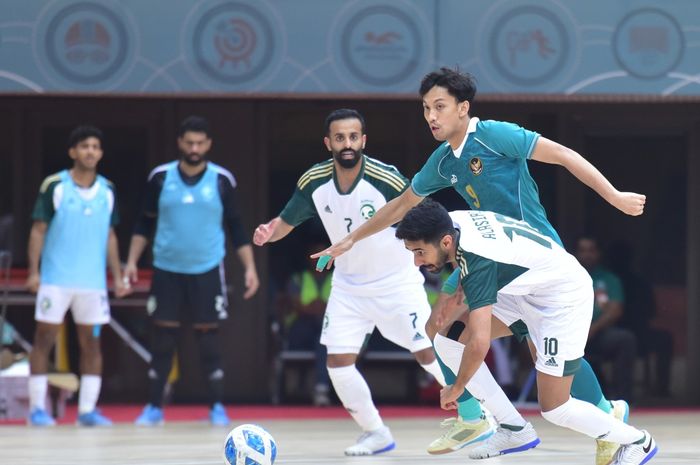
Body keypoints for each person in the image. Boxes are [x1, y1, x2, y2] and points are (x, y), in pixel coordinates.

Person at [312, 67, 645, 463]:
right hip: (488, 261)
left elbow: (564, 155)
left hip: (532, 262)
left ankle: (606, 416)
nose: (431, 116)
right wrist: (349, 240)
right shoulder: (444, 160)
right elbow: (403, 204)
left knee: (537, 355)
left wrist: (615, 196)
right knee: (443, 329)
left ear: (463, 107)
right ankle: (487, 420)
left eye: (439, 107)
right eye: (425, 109)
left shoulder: (494, 135)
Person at [254, 109, 459, 456]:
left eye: (353, 137)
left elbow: (423, 212)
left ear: (363, 141)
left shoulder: (385, 178)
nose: (346, 144)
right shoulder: (313, 182)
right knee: (337, 363)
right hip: (349, 287)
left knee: (427, 349)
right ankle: (375, 432)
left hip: (397, 283)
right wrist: (268, 232)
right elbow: (287, 219)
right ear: (328, 143)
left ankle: (478, 413)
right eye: (339, 138)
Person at [395, 200, 658, 465]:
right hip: (524, 289)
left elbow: (480, 341)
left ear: (446, 242)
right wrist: (450, 299)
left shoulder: (477, 259)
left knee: (556, 408)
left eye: (419, 252)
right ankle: (513, 428)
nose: (417, 261)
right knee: (448, 341)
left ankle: (638, 441)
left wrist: (458, 387)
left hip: (560, 299)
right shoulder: (449, 221)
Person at [125, 115, 259, 426]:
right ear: (180, 144)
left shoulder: (222, 180)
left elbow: (237, 228)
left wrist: (250, 268)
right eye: (189, 142)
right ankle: (154, 407)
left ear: (208, 144)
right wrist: (131, 260)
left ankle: (216, 407)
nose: (195, 148)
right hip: (167, 268)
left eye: (200, 142)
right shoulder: (160, 178)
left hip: (208, 269)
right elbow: (143, 223)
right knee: (163, 338)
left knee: (208, 337)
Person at [26, 125, 130, 426]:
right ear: (73, 152)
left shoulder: (107, 190)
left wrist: (117, 277)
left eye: (96, 147)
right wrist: (34, 273)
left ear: (101, 153)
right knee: (43, 339)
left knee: (92, 344)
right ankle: (37, 409)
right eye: (84, 146)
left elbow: (111, 236)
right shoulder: (55, 186)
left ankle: (87, 410)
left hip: (92, 283)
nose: (90, 152)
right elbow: (38, 229)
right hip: (55, 280)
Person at [607, 240, 673, 397]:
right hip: (609, 332)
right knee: (622, 339)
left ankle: (662, 390)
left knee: (665, 339)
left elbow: (651, 311)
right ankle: (617, 393)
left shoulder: (639, 282)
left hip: (640, 332)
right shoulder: (607, 280)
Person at [576, 237, 637, 402]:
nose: (587, 254)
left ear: (598, 253)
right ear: (576, 253)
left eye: (591, 250)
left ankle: (623, 399)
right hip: (570, 333)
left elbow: (615, 309)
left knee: (625, 340)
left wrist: (593, 329)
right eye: (583, 250)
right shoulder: (567, 275)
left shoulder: (608, 278)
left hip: (598, 334)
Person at [281, 242, 332, 406]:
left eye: (323, 254)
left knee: (323, 340)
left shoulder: (336, 278)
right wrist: (317, 307)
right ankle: (317, 388)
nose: (320, 258)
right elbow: (298, 306)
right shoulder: (299, 278)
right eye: (316, 254)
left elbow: (338, 305)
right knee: (318, 335)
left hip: (325, 326)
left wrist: (315, 307)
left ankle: (321, 389)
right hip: (300, 329)